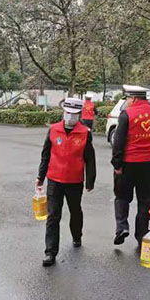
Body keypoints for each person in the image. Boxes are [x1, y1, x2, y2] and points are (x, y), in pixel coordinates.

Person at [36, 98, 96, 267]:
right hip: (54, 180)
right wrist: (40, 177)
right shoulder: (53, 130)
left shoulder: (84, 133)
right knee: (53, 215)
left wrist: (90, 181)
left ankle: (77, 235)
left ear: (79, 115)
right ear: (63, 112)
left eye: (74, 114)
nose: (70, 116)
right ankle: (50, 252)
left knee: (75, 211)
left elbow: (90, 159)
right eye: (68, 113)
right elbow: (45, 155)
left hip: (74, 180)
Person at [111, 85, 150, 247]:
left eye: (128, 98)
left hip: (128, 164)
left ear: (134, 98)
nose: (127, 102)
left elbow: (118, 142)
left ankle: (122, 227)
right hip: (149, 164)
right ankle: (142, 235)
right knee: (145, 200)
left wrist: (117, 164)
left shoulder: (127, 115)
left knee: (122, 196)